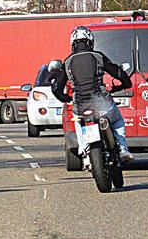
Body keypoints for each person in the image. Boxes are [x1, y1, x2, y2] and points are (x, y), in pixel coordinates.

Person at [52, 26, 135, 163]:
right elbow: (118, 73)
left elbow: (56, 88)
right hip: (101, 102)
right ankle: (122, 149)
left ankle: (84, 150)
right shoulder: (98, 56)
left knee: (78, 121)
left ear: (73, 44)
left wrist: (67, 99)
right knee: (117, 120)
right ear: (90, 42)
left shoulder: (67, 62)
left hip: (80, 104)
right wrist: (125, 84)